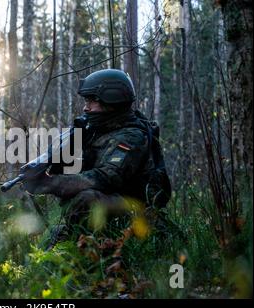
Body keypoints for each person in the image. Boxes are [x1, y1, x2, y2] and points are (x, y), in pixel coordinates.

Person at [22, 69, 171, 249]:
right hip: (113, 208)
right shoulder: (95, 132)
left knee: (87, 199)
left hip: (138, 212)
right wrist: (51, 164)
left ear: (112, 100)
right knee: (51, 240)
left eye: (92, 101)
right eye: (86, 101)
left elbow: (106, 177)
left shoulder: (132, 136)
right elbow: (78, 168)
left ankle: (94, 256)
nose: (86, 107)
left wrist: (51, 183)